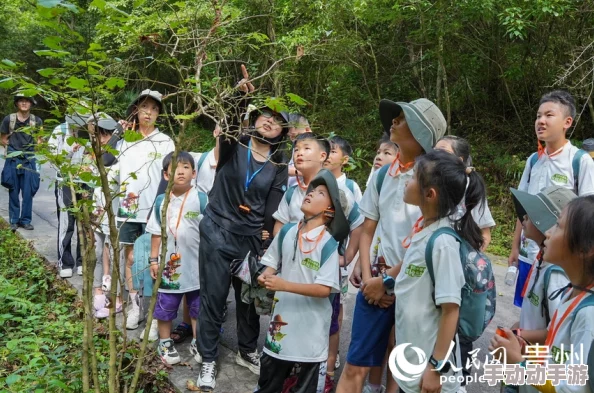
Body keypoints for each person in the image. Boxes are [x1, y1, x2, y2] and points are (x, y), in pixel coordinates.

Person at [337, 98, 446, 393]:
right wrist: (367, 274)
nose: (393, 122)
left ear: (421, 133)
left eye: (402, 118)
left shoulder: (434, 180)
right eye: (394, 117)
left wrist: (388, 282)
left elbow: (428, 239)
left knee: (401, 364)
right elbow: (368, 226)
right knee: (356, 364)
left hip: (415, 288)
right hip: (374, 284)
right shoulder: (384, 173)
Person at [196, 65, 289, 391]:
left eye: (277, 120)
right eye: (265, 115)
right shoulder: (236, 143)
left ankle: (247, 350)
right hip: (218, 231)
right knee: (214, 298)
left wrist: (266, 246)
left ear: (283, 131)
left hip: (249, 241)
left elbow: (273, 206)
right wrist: (239, 94)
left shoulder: (279, 164)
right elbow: (231, 120)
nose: (269, 120)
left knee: (248, 301)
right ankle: (207, 359)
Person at [392, 149, 486, 393]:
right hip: (413, 366)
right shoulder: (424, 232)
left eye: (412, 177)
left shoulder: (442, 243)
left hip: (430, 376)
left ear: (430, 194)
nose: (406, 181)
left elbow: (450, 311)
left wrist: (436, 368)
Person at [254, 169, 347, 393]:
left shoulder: (328, 245)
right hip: (280, 330)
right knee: (268, 385)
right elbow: (271, 262)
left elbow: (325, 289)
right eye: (312, 190)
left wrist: (284, 285)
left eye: (320, 193)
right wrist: (264, 275)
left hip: (310, 338)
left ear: (329, 210)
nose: (311, 193)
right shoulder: (286, 232)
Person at [490, 195, 594, 393]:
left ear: (585, 248)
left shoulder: (588, 314)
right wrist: (525, 351)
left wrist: (520, 364)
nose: (548, 232)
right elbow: (557, 358)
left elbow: (572, 387)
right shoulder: (571, 292)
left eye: (558, 226)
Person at [508, 91, 594, 278]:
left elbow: (587, 217)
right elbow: (522, 208)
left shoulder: (579, 161)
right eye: (538, 116)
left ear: (567, 122)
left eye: (549, 115)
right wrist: (515, 247)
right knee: (526, 306)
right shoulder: (533, 161)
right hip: (527, 255)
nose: (541, 121)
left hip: (559, 260)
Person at [505, 185, 574, 393]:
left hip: (542, 376)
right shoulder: (541, 260)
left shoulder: (556, 274)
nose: (524, 217)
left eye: (533, 214)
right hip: (529, 367)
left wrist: (519, 334)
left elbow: (558, 329)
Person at [115, 89, 175, 330]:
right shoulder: (124, 140)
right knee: (130, 258)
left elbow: (168, 176)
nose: (149, 112)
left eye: (154, 109)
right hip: (128, 209)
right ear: (135, 110)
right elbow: (107, 162)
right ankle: (135, 305)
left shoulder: (165, 141)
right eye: (144, 107)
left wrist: (159, 207)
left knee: (153, 260)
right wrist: (117, 133)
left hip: (154, 210)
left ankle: (153, 314)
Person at [146, 151, 207, 365]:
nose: (180, 171)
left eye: (185, 167)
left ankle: (198, 341)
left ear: (194, 172)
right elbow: (155, 233)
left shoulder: (201, 198)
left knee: (197, 306)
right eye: (174, 168)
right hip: (167, 267)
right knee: (166, 306)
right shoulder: (161, 202)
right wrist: (153, 260)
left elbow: (209, 232)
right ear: (165, 175)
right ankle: (165, 342)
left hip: (196, 265)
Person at [323, 135, 363, 391]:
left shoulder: (350, 187)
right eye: (325, 149)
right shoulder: (313, 184)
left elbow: (358, 224)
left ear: (345, 160)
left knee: (334, 315)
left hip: (335, 264)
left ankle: (328, 364)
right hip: (309, 264)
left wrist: (348, 257)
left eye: (333, 151)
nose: (327, 154)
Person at [48, 111, 94, 278]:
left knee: (85, 221)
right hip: (65, 180)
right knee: (67, 222)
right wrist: (69, 152)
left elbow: (96, 155)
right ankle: (65, 262)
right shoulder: (60, 131)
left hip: (86, 181)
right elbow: (52, 157)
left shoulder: (90, 129)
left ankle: (83, 261)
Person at [87, 113, 124, 318]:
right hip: (97, 209)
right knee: (98, 249)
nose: (102, 138)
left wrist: (119, 132)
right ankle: (99, 289)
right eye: (100, 134)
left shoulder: (121, 154)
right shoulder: (94, 154)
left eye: (106, 134)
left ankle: (116, 296)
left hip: (114, 211)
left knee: (113, 251)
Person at [435, 135, 496, 250]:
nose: (435, 156)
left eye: (442, 152)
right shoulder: (423, 184)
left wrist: (467, 261)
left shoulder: (470, 187)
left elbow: (485, 234)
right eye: (434, 151)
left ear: (459, 160)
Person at [0, 94, 42, 231]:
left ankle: (25, 220)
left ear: (31, 104)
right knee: (13, 189)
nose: (24, 103)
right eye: (21, 101)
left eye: (27, 101)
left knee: (28, 191)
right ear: (17, 103)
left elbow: (39, 140)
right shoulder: (9, 119)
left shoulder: (37, 121)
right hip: (13, 158)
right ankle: (14, 220)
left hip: (29, 159)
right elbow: (3, 139)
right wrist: (12, 149)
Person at [287, 113, 311, 188]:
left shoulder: (316, 147)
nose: (292, 139)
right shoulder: (297, 146)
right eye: (290, 136)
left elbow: (314, 170)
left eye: (295, 136)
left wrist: (285, 170)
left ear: (307, 129)